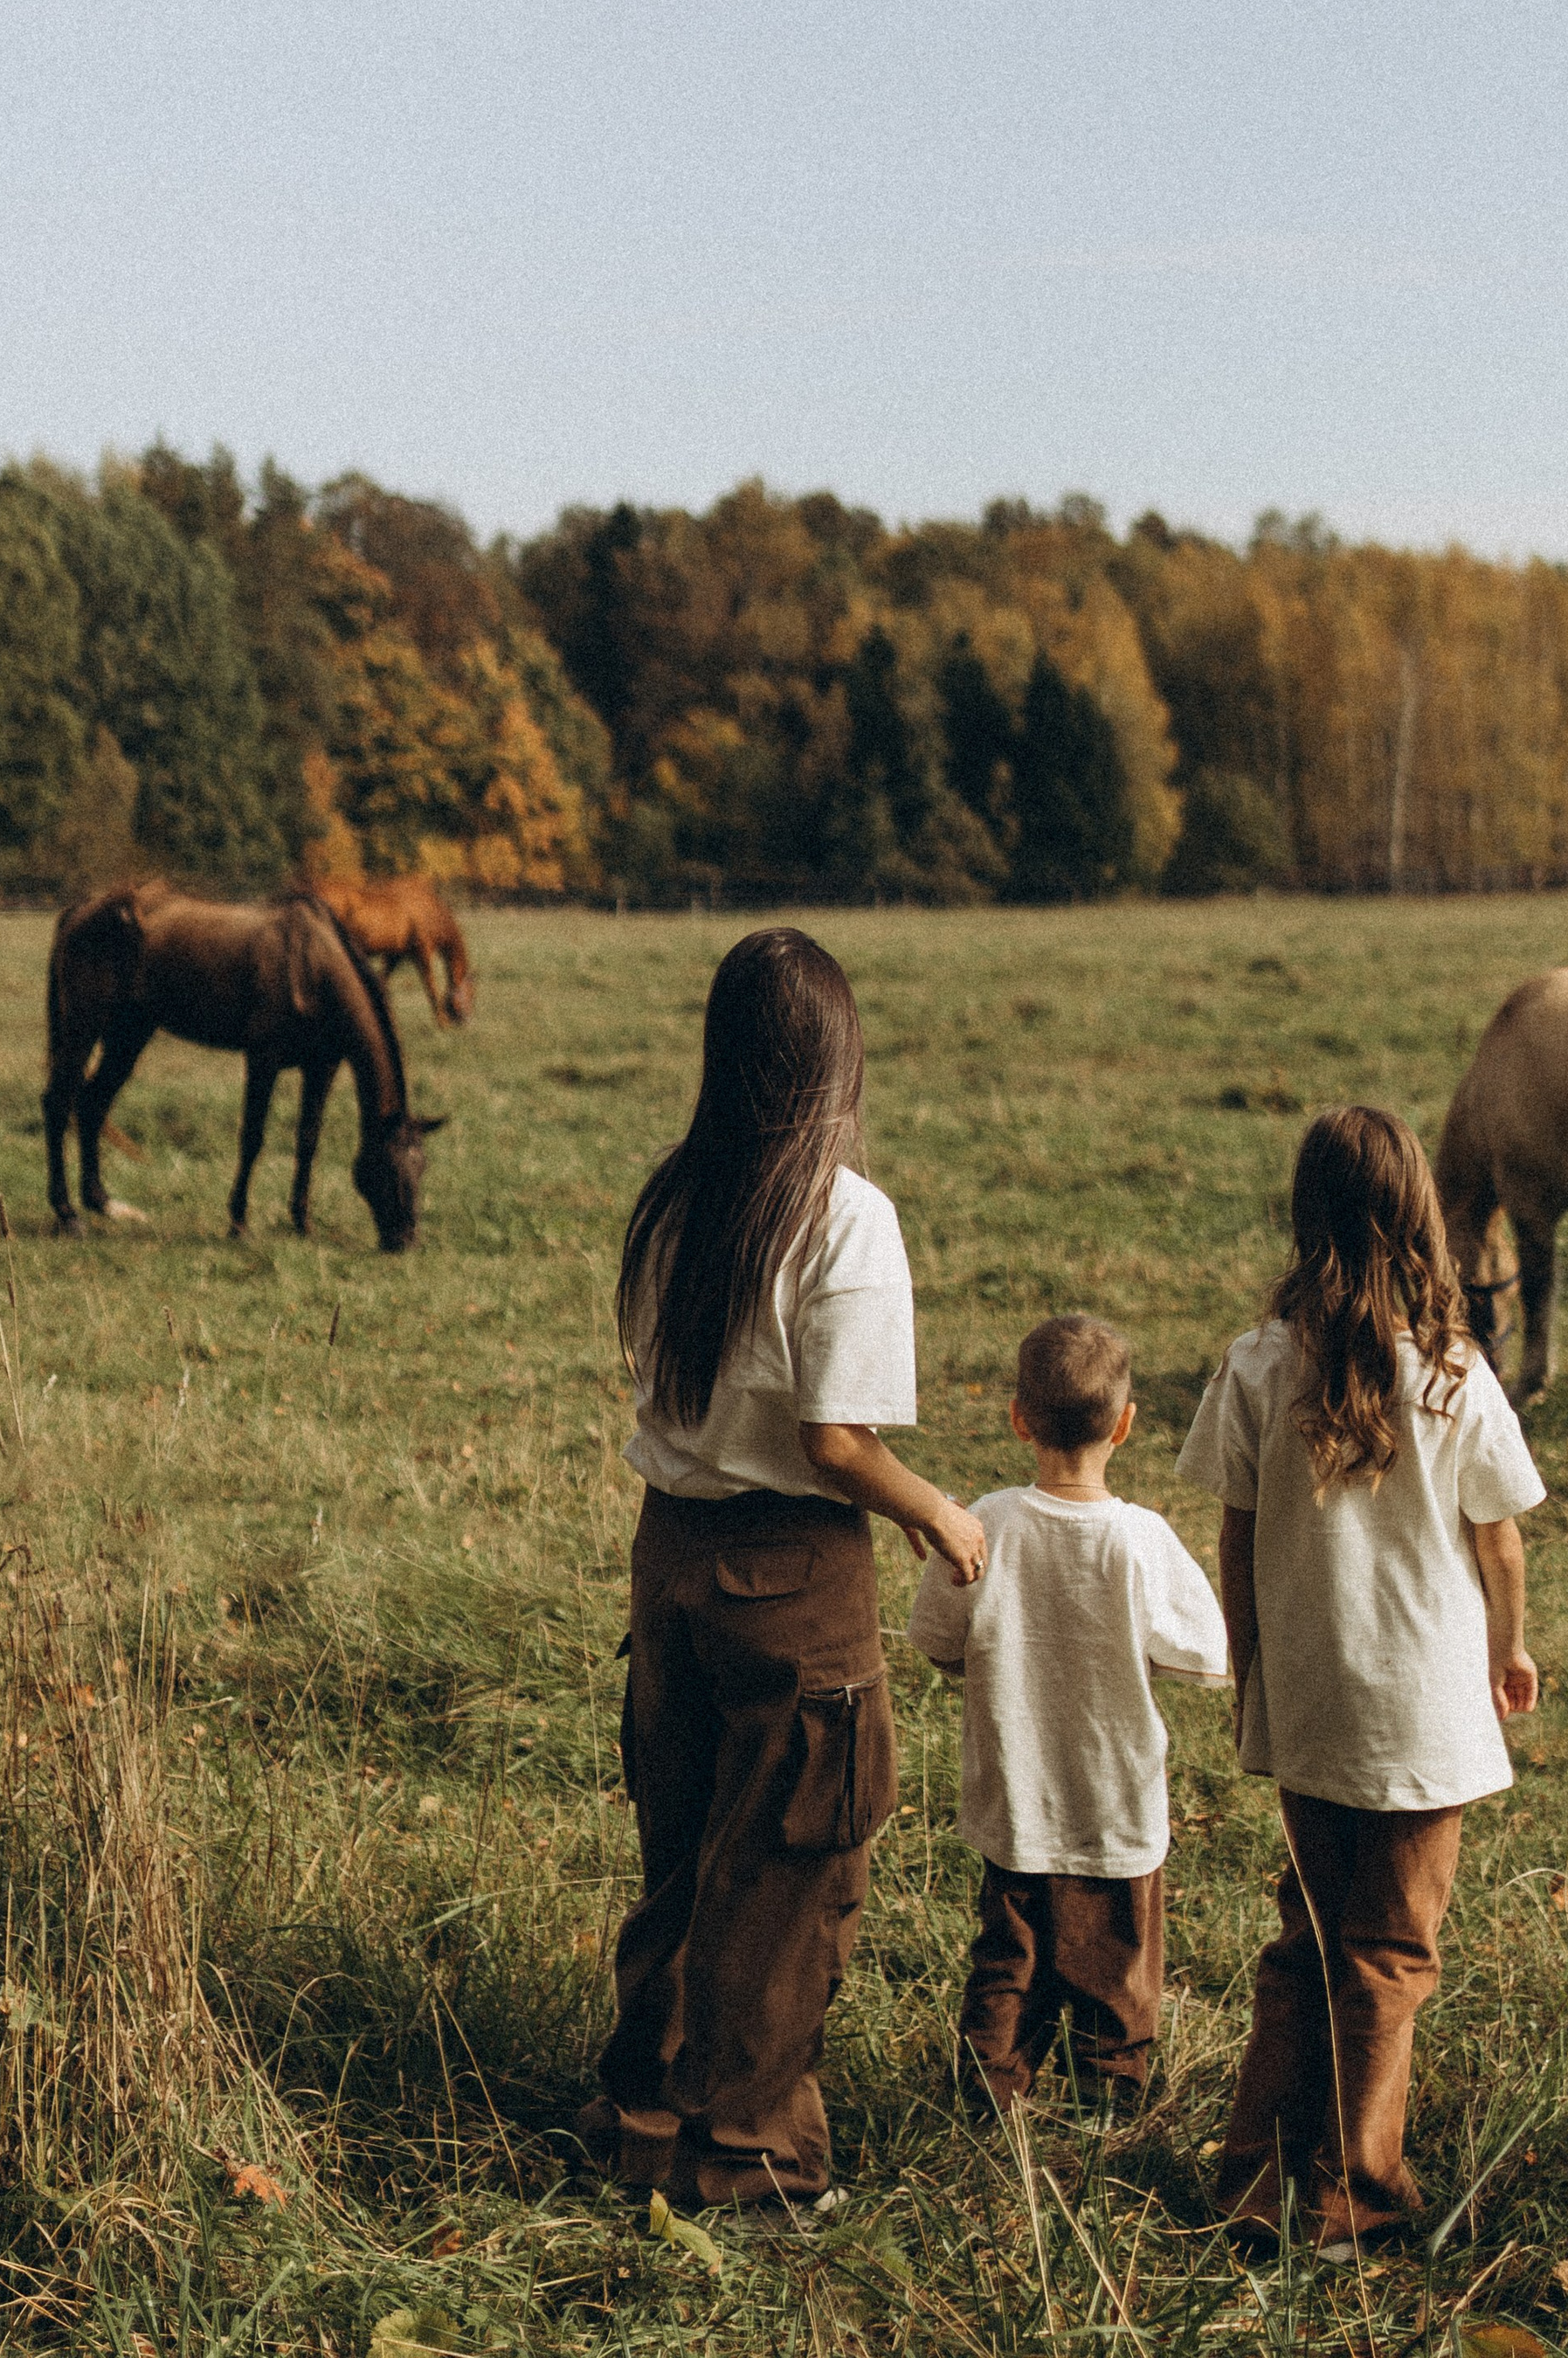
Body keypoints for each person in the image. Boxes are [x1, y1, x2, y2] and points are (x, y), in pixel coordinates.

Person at [584, 927, 986, 2217]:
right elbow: (835, 1442)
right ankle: (748, 2159)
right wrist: (936, 1511)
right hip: (793, 1573)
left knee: (685, 1849)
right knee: (794, 1870)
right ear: (832, 1063)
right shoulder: (843, 1218)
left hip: (671, 1560)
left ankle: (644, 2115)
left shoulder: (672, 1198)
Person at [1177, 1103, 1543, 2259]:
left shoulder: (1254, 1365)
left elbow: (1235, 1539)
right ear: (1420, 1219)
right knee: (1390, 1953)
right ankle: (1354, 2201)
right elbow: (1500, 1542)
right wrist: (1508, 1650)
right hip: (1422, 1716)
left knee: (1308, 1940)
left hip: (1310, 1703)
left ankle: (1251, 2178)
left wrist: (1250, 1661)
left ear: (1305, 1218)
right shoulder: (1451, 1374)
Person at [908, 1310, 1229, 2114]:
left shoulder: (987, 1523)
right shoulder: (1141, 1541)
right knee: (1118, 1975)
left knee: (1006, 1968)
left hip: (1014, 1802)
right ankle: (1111, 2118)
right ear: (1126, 1424)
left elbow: (936, 1640)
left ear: (1018, 1418)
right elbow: (1206, 1654)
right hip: (1115, 1809)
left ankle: (986, 2108)